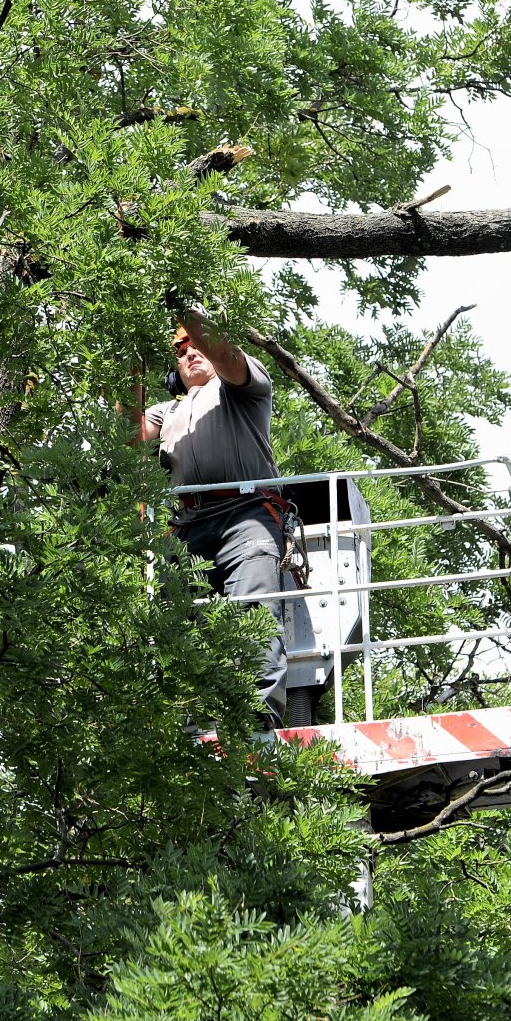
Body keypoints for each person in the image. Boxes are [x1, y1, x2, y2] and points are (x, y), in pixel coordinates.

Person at [136, 308, 293, 725]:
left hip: (246, 515)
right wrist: (129, 357)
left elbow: (226, 356)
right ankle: (189, 723)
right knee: (179, 624)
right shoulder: (165, 412)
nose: (189, 352)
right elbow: (126, 433)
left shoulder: (242, 388)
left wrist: (181, 300)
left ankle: (260, 719)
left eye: (195, 342)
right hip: (186, 528)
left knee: (253, 610)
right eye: (179, 348)